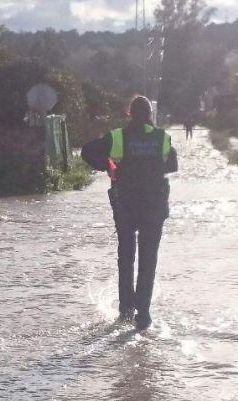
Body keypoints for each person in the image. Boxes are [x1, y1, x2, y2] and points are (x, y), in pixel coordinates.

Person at [81, 96, 178, 330]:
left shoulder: (117, 137)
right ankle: (143, 315)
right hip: (154, 206)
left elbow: (86, 152)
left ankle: (125, 311)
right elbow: (172, 165)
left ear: (129, 114)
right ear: (150, 115)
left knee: (126, 258)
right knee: (148, 260)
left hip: (126, 204)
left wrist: (110, 166)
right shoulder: (161, 138)